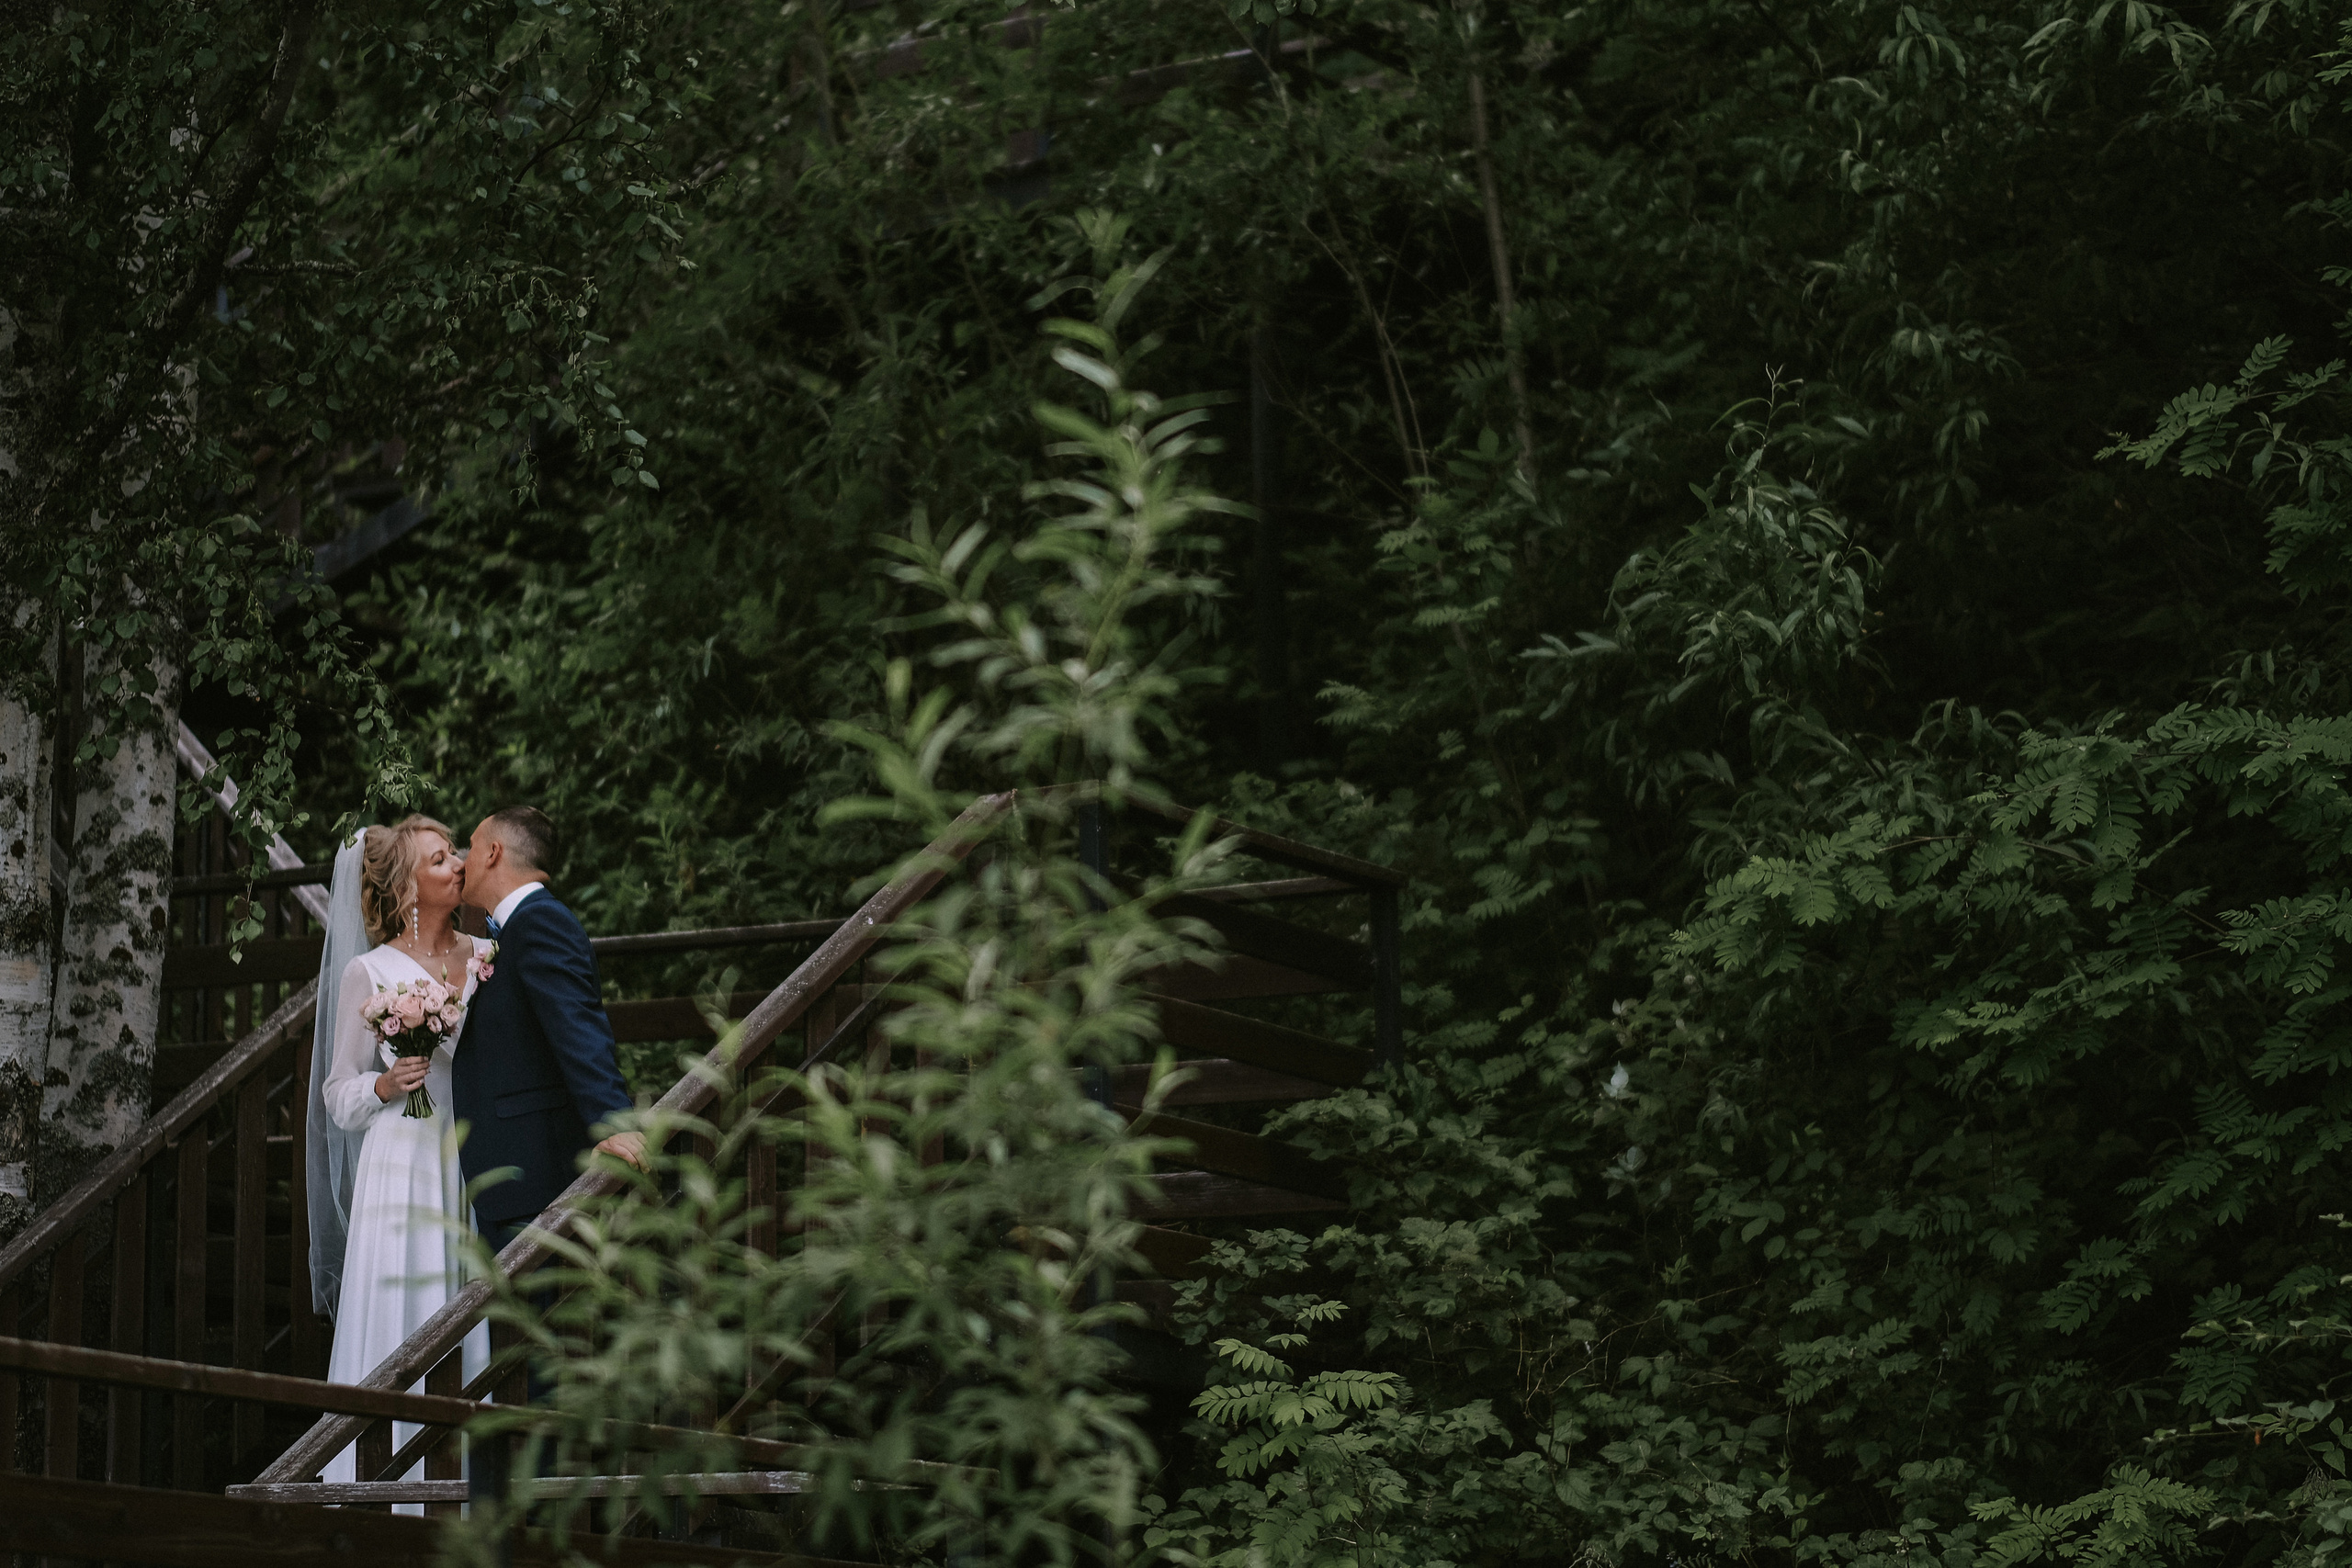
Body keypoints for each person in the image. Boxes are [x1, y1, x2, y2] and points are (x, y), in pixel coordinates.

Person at [306, 814, 492, 1509]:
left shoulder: (485, 955)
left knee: (460, 1298)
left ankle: (467, 1481)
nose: (458, 865)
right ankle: (385, 1485)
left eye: (454, 855)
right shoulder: (369, 971)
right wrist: (384, 1085)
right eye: (441, 859)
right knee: (400, 1304)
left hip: (465, 1156)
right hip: (399, 1160)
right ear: (412, 889)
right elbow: (337, 1094)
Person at [453, 804, 643, 1262]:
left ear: (494, 852)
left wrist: (614, 1123)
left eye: (472, 848)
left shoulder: (540, 922)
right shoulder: (515, 929)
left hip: (533, 1175)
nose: (463, 861)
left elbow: (577, 1027)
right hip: (515, 1174)